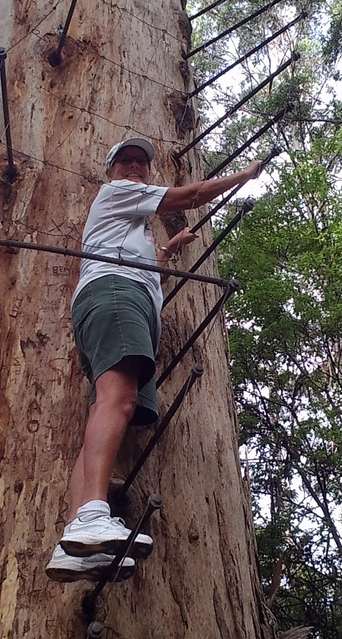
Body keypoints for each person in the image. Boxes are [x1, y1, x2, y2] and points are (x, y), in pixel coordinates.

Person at [46, 136, 262, 581]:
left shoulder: (133, 225)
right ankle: (91, 515)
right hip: (116, 296)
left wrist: (167, 250)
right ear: (110, 172)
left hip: (117, 298)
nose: (133, 169)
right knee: (117, 401)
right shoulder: (119, 193)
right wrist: (245, 174)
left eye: (141, 165)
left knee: (107, 405)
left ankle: (75, 542)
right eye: (123, 162)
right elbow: (192, 195)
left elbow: (144, 263)